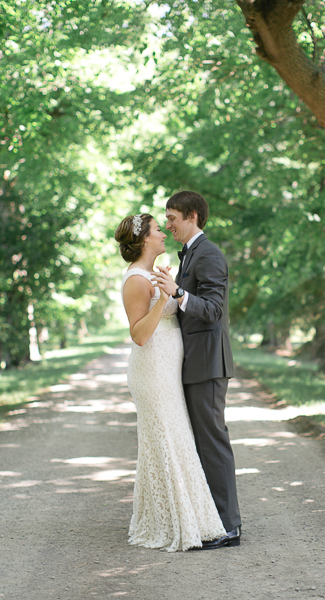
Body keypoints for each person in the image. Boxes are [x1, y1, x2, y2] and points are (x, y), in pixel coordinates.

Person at [115, 213, 226, 552]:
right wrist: (163, 297)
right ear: (145, 239)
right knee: (167, 441)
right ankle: (175, 523)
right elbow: (139, 335)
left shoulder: (156, 273)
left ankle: (181, 517)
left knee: (175, 440)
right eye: (157, 229)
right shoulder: (136, 280)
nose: (164, 233)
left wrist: (170, 288)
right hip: (152, 371)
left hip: (168, 371)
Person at [153, 190, 242, 550]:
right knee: (203, 443)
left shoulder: (209, 254)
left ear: (192, 216)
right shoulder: (191, 255)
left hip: (207, 363)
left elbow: (214, 310)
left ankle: (229, 527)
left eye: (172, 217)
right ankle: (212, 520)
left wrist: (178, 294)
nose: (168, 224)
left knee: (213, 442)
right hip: (196, 363)